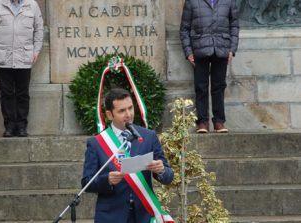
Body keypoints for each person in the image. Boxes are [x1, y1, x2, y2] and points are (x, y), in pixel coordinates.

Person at [81, 88, 174, 223]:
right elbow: (86, 183)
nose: (128, 114)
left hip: (144, 214)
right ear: (109, 115)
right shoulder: (96, 143)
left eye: (130, 108)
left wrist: (161, 170)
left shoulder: (149, 136)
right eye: (122, 111)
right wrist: (107, 180)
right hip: (111, 215)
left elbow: (168, 177)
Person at [0, 0, 43, 137]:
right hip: (3, 56)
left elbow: (39, 28)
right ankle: (9, 126)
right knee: (6, 93)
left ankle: (22, 126)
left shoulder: (32, 5)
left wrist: (36, 50)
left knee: (23, 93)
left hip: (24, 56)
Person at [180, 0, 239, 133]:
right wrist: (188, 52)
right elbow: (184, 29)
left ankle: (219, 121)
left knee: (219, 86)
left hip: (221, 48)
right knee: (201, 87)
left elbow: (234, 26)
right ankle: (202, 122)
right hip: (200, 49)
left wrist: (232, 49)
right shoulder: (192, 2)